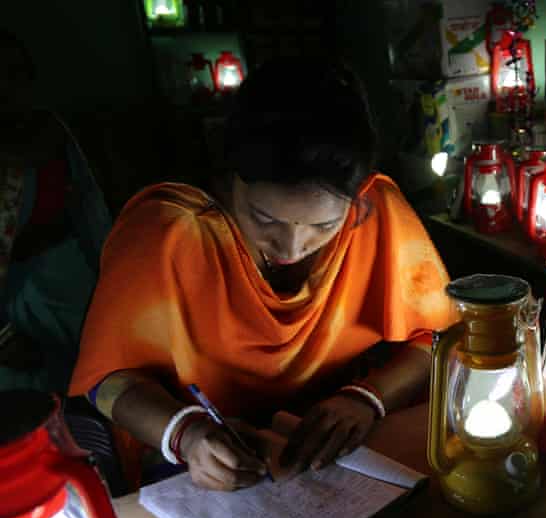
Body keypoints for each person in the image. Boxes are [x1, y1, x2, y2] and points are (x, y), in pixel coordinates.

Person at [68, 57, 456, 492]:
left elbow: (438, 335)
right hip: (198, 460)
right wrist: (187, 433)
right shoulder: (171, 235)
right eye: (264, 218)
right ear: (228, 178)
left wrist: (368, 397)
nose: (291, 248)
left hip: (331, 449)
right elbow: (106, 381)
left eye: (323, 227)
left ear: (357, 196)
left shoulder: (376, 213)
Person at [0, 28, 112, 393]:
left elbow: (89, 208)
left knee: (93, 373)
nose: (8, 86)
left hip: (67, 277)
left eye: (17, 74)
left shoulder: (52, 132)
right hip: (10, 298)